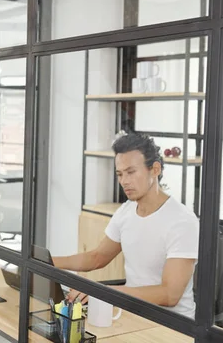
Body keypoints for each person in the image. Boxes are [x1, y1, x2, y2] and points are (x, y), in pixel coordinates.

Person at [52, 132, 199, 318]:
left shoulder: (182, 221)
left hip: (173, 327)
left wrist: (103, 293)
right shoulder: (126, 211)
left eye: (131, 172)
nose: (124, 181)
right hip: (133, 313)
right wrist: (47, 261)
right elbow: (97, 257)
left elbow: (169, 294)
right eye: (120, 174)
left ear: (155, 170)